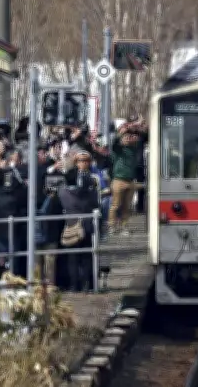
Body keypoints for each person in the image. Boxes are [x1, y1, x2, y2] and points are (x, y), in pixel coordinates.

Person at [58, 150, 99, 291]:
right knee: (82, 256)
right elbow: (95, 202)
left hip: (72, 224)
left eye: (85, 161)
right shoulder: (89, 188)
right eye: (80, 161)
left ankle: (78, 285)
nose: (83, 164)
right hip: (84, 223)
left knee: (77, 257)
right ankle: (84, 285)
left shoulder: (63, 192)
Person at [108, 122, 146, 237]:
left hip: (130, 180)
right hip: (118, 180)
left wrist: (135, 127)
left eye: (130, 136)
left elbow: (142, 138)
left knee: (127, 206)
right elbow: (114, 143)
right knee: (115, 205)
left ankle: (124, 226)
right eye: (126, 137)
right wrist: (121, 133)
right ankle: (112, 226)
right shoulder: (118, 149)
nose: (128, 138)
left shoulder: (134, 149)